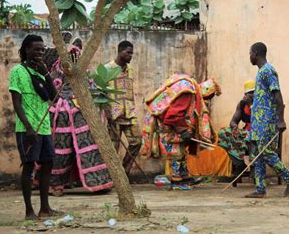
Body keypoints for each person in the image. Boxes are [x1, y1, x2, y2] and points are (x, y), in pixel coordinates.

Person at [40, 34, 113, 196]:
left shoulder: (83, 71)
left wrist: (103, 106)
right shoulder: (57, 71)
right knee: (61, 147)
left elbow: (92, 89)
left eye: (76, 55)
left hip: (82, 111)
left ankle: (98, 181)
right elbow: (51, 90)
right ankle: (56, 184)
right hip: (61, 113)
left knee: (90, 146)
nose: (74, 57)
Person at [9, 34, 59, 219]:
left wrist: (46, 72)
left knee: (47, 164)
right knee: (29, 167)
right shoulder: (17, 71)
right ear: (26, 49)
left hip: (44, 127)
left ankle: (45, 208)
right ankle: (29, 210)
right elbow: (16, 102)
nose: (40, 52)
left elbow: (55, 97)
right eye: (36, 49)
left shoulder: (40, 73)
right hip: (27, 129)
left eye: (42, 49)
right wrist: (29, 127)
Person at [142, 74, 221, 190]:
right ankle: (177, 182)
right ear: (206, 92)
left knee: (182, 152)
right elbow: (173, 115)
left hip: (173, 126)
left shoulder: (192, 91)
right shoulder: (189, 93)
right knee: (176, 153)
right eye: (209, 97)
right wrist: (184, 130)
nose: (207, 100)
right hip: (168, 126)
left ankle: (185, 177)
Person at [244, 42, 289, 199]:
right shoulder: (261, 72)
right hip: (258, 121)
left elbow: (278, 97)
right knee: (258, 154)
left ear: (256, 53)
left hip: (267, 121)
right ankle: (260, 189)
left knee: (266, 152)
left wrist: (281, 120)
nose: (250, 57)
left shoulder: (268, 71)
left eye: (250, 53)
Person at [105, 41, 142, 175]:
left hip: (129, 112)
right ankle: (113, 177)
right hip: (114, 114)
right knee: (113, 149)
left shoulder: (130, 69)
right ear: (120, 51)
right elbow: (99, 92)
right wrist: (107, 111)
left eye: (132, 53)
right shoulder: (107, 69)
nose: (130, 55)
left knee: (137, 141)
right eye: (128, 52)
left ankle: (124, 171)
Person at [218, 80, 255, 184]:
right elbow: (233, 121)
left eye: (253, 92)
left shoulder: (262, 103)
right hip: (246, 133)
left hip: (259, 133)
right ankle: (239, 163)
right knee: (223, 133)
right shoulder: (242, 104)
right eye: (249, 93)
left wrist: (251, 105)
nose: (252, 95)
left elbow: (259, 120)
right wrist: (234, 127)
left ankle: (254, 169)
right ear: (245, 95)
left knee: (251, 139)